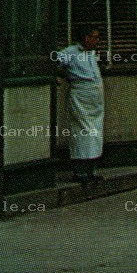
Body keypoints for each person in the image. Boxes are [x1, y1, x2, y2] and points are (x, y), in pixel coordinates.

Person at [53, 27, 105, 183]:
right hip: (81, 96)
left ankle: (90, 169)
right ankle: (79, 170)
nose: (96, 41)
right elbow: (54, 61)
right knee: (82, 130)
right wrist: (57, 75)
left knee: (95, 132)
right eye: (94, 37)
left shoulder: (90, 53)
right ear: (85, 37)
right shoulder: (70, 51)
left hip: (94, 98)